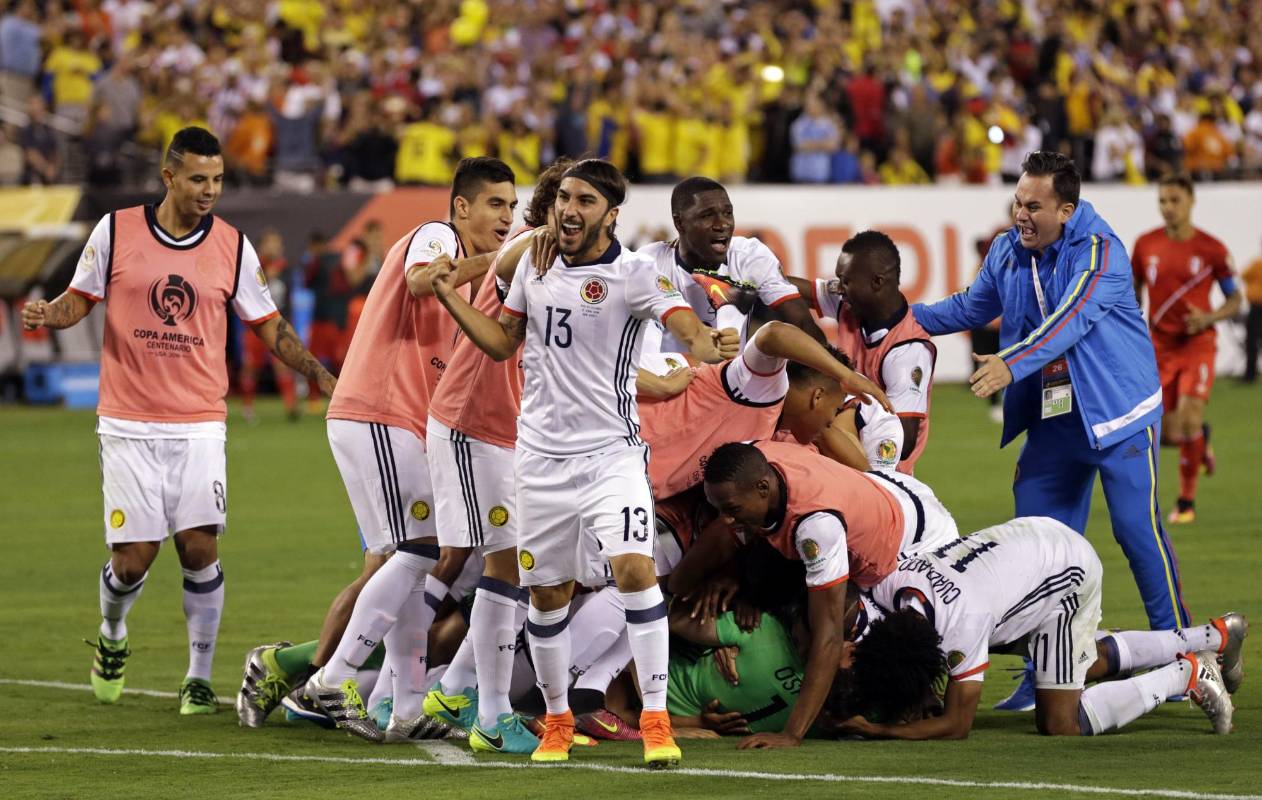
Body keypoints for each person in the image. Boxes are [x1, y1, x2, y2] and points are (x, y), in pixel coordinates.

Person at [21, 127, 336, 715]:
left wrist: (319, 374)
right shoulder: (115, 231)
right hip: (127, 422)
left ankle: (197, 675)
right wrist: (48, 314)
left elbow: (268, 324)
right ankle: (113, 634)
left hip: (198, 422)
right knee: (133, 559)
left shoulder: (233, 247)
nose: (209, 190)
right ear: (169, 177)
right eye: (197, 179)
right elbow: (77, 301)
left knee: (198, 548)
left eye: (217, 180)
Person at [431, 158, 732, 767]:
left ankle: (654, 721)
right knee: (547, 596)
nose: (569, 209)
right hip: (539, 460)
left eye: (585, 201)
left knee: (633, 571)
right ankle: (559, 722)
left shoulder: (634, 273)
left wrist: (711, 342)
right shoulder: (535, 266)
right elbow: (501, 342)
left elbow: (688, 331)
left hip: (610, 455)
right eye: (564, 198)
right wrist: (446, 295)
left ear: (610, 213)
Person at [236, 158, 516, 740]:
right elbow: (420, 279)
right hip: (381, 413)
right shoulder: (436, 236)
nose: (506, 217)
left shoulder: (478, 281)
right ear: (462, 207)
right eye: (495, 204)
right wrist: (501, 259)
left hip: (403, 425)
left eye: (512, 208)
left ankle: (406, 706)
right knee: (417, 552)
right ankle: (331, 678)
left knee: (414, 562)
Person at [913, 151, 1187, 639]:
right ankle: (1037, 677)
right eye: (1018, 202)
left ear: (1066, 211)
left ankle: (1183, 648)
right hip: (1055, 422)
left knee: (1136, 533)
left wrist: (1010, 365)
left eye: (1034, 207)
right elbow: (969, 307)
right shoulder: (1007, 250)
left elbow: (1072, 318)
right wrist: (892, 316)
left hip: (1118, 417)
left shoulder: (1101, 251)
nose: (1021, 215)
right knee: (1036, 549)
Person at [419, 158, 572, 755]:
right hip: (469, 422)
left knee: (508, 565)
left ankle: (453, 690)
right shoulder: (531, 251)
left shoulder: (561, 261)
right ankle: (480, 709)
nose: (578, 214)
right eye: (571, 202)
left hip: (507, 434)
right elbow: (489, 291)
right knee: (486, 561)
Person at [841, 518, 1246, 739]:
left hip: (1067, 571)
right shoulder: (891, 581)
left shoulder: (962, 626)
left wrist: (880, 729)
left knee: (1059, 721)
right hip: (1025, 544)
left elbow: (957, 725)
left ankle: (1188, 673)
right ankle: (1216, 636)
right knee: (1079, 665)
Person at [698, 439, 958, 750]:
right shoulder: (750, 456)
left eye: (732, 509)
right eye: (719, 508)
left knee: (888, 633)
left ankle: (921, 695)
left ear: (763, 488)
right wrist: (727, 573)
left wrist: (791, 734)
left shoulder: (817, 526)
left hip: (917, 542)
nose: (725, 519)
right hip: (882, 491)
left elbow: (829, 635)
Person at [1132, 174, 1242, 523]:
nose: (1168, 208)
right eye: (1163, 201)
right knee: (1166, 434)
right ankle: (1199, 441)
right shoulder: (1145, 245)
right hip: (1159, 346)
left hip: (1198, 344)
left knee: (1190, 416)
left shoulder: (1212, 249)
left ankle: (1186, 503)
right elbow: (1133, 291)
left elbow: (1235, 299)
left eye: (1175, 200)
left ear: (1191, 201)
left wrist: (1209, 317)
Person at [792, 230, 937, 474]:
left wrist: (844, 417)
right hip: (843, 462)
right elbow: (790, 291)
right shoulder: (849, 303)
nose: (838, 288)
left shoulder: (907, 351)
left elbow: (904, 442)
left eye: (846, 281)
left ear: (877, 282)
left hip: (880, 476)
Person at [638, 177, 825, 351]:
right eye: (707, 215)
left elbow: (803, 324)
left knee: (772, 335)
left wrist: (835, 376)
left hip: (731, 380)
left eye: (728, 213)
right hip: (668, 379)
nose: (722, 224)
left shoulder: (749, 255)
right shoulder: (649, 263)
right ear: (680, 223)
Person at [239, 229, 298, 422]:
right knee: (251, 367)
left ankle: (291, 407)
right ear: (261, 246)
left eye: (277, 243)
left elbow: (288, 300)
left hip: (278, 326)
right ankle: (247, 408)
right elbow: (245, 294)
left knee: (282, 365)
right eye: (270, 243)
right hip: (255, 325)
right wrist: (267, 277)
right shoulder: (253, 267)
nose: (274, 247)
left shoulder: (287, 269)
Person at [1244, 245, 1262, 383]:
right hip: (1256, 307)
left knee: (1252, 340)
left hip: (1257, 307)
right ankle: (1251, 373)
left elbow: (1244, 275)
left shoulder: (1257, 264)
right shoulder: (1257, 264)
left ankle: (1251, 374)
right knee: (1252, 341)